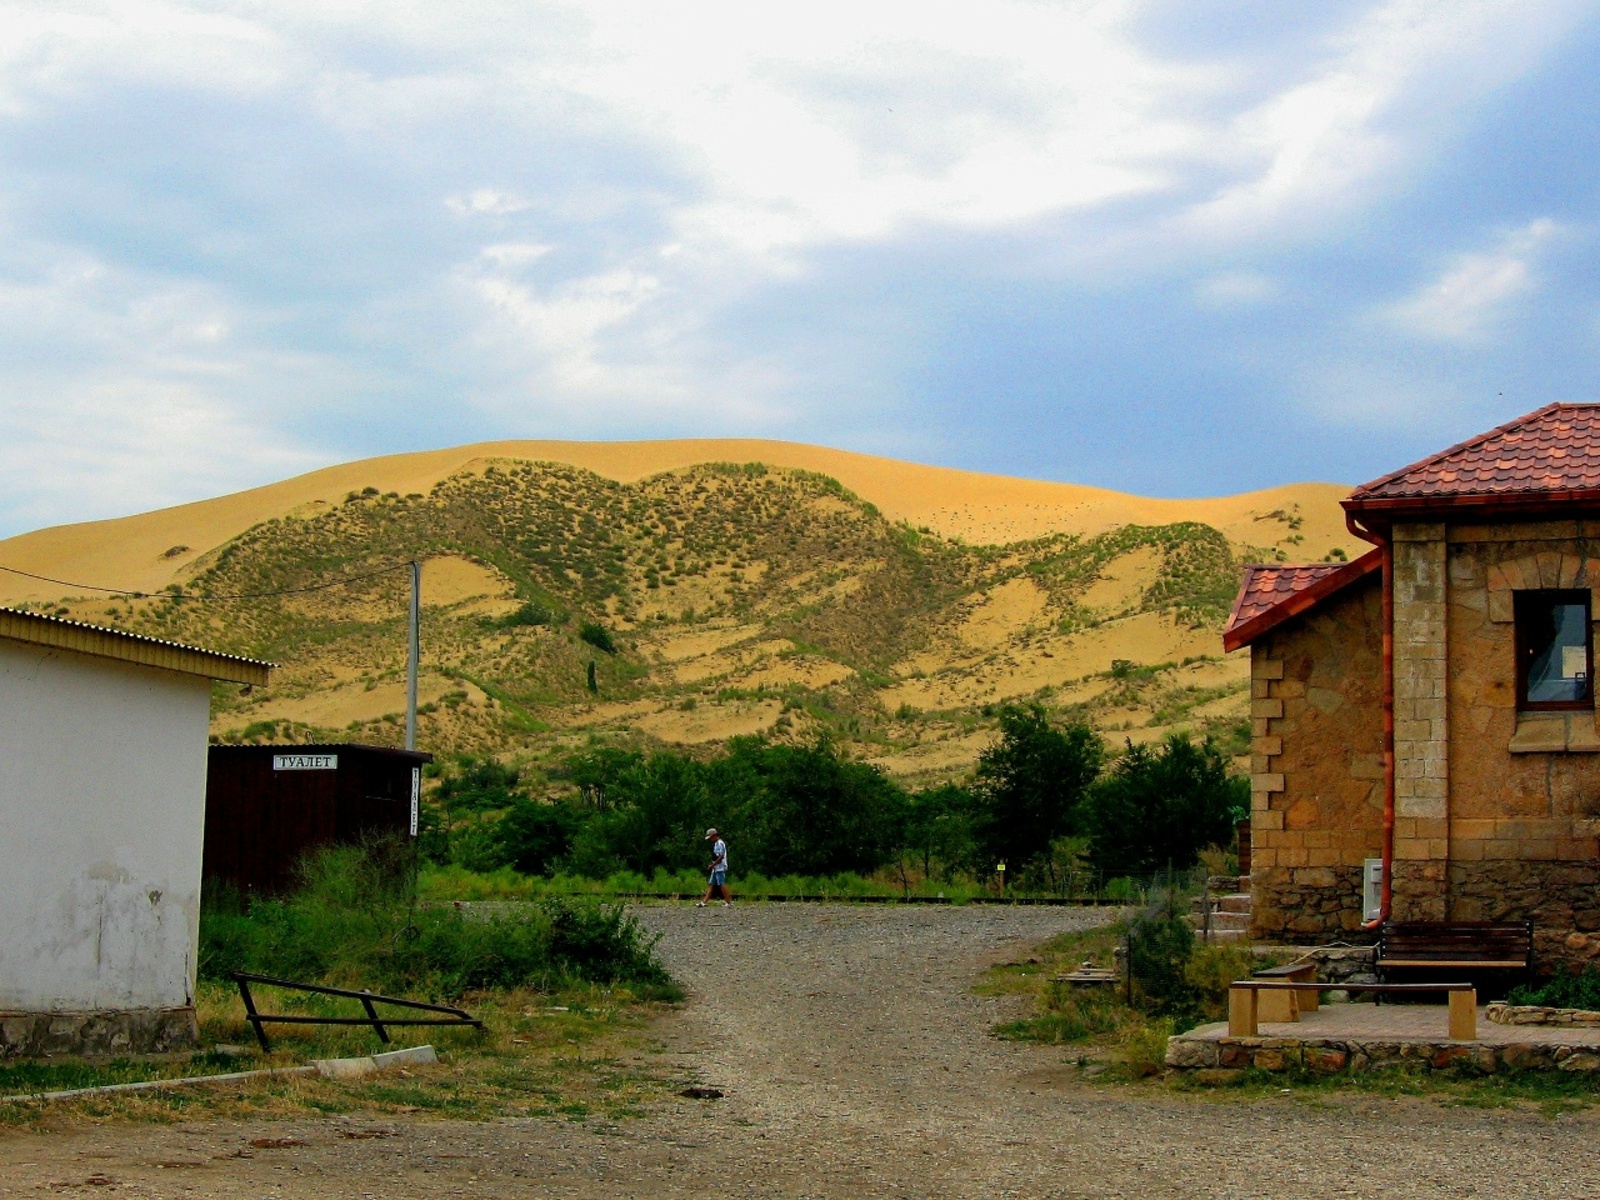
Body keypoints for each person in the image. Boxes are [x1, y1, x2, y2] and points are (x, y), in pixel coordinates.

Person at [697, 827, 729, 907]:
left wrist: (712, 865)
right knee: (711, 884)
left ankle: (728, 902)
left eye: (710, 837)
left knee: (721, 884)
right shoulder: (716, 844)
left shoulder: (720, 843)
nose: (709, 839)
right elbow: (716, 857)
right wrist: (712, 864)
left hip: (720, 868)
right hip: (716, 868)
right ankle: (704, 902)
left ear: (714, 835)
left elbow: (721, 857)